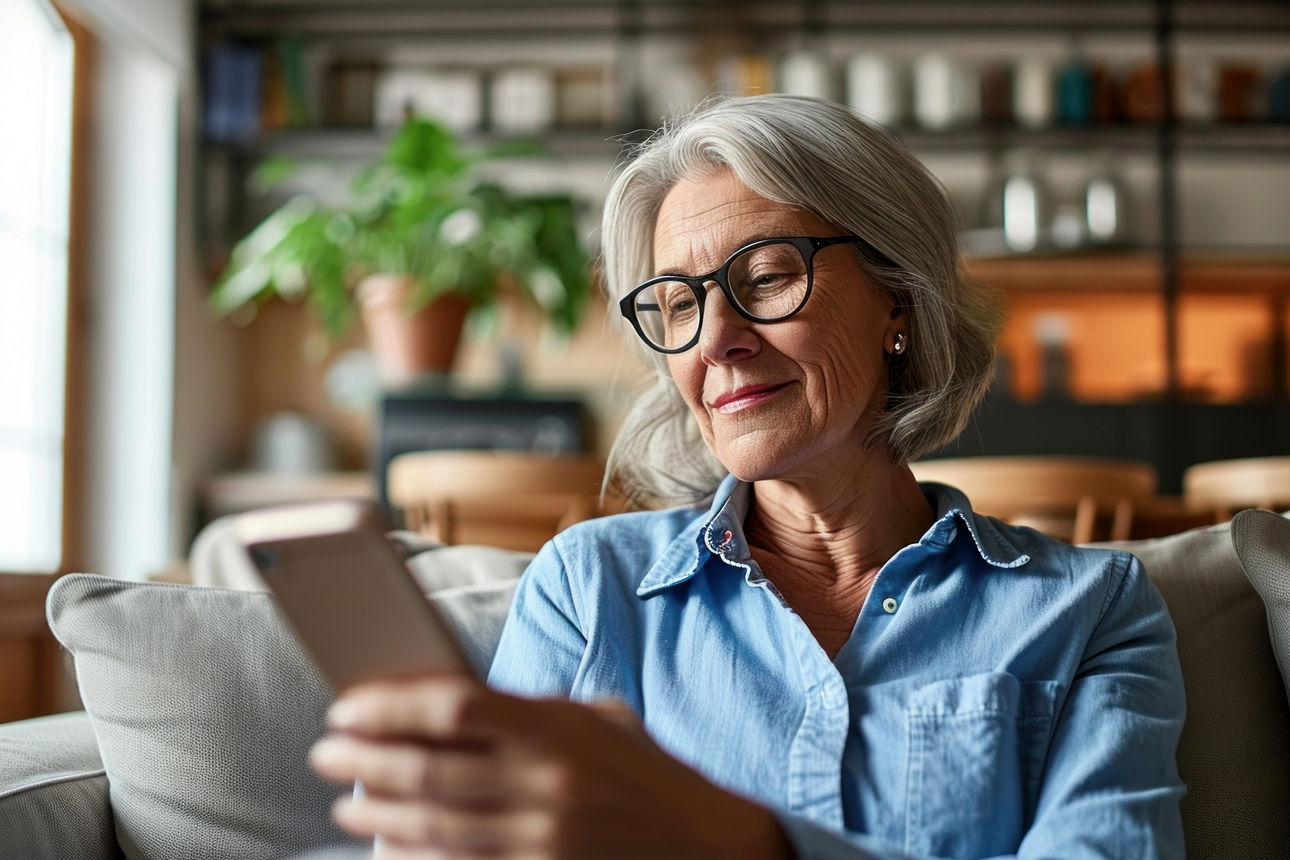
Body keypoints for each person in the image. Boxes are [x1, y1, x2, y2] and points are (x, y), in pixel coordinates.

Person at [307, 95, 1185, 859]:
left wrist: (739, 843)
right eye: (679, 304)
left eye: (766, 279)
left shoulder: (1093, 606)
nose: (714, 339)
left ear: (899, 302)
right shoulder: (587, 588)